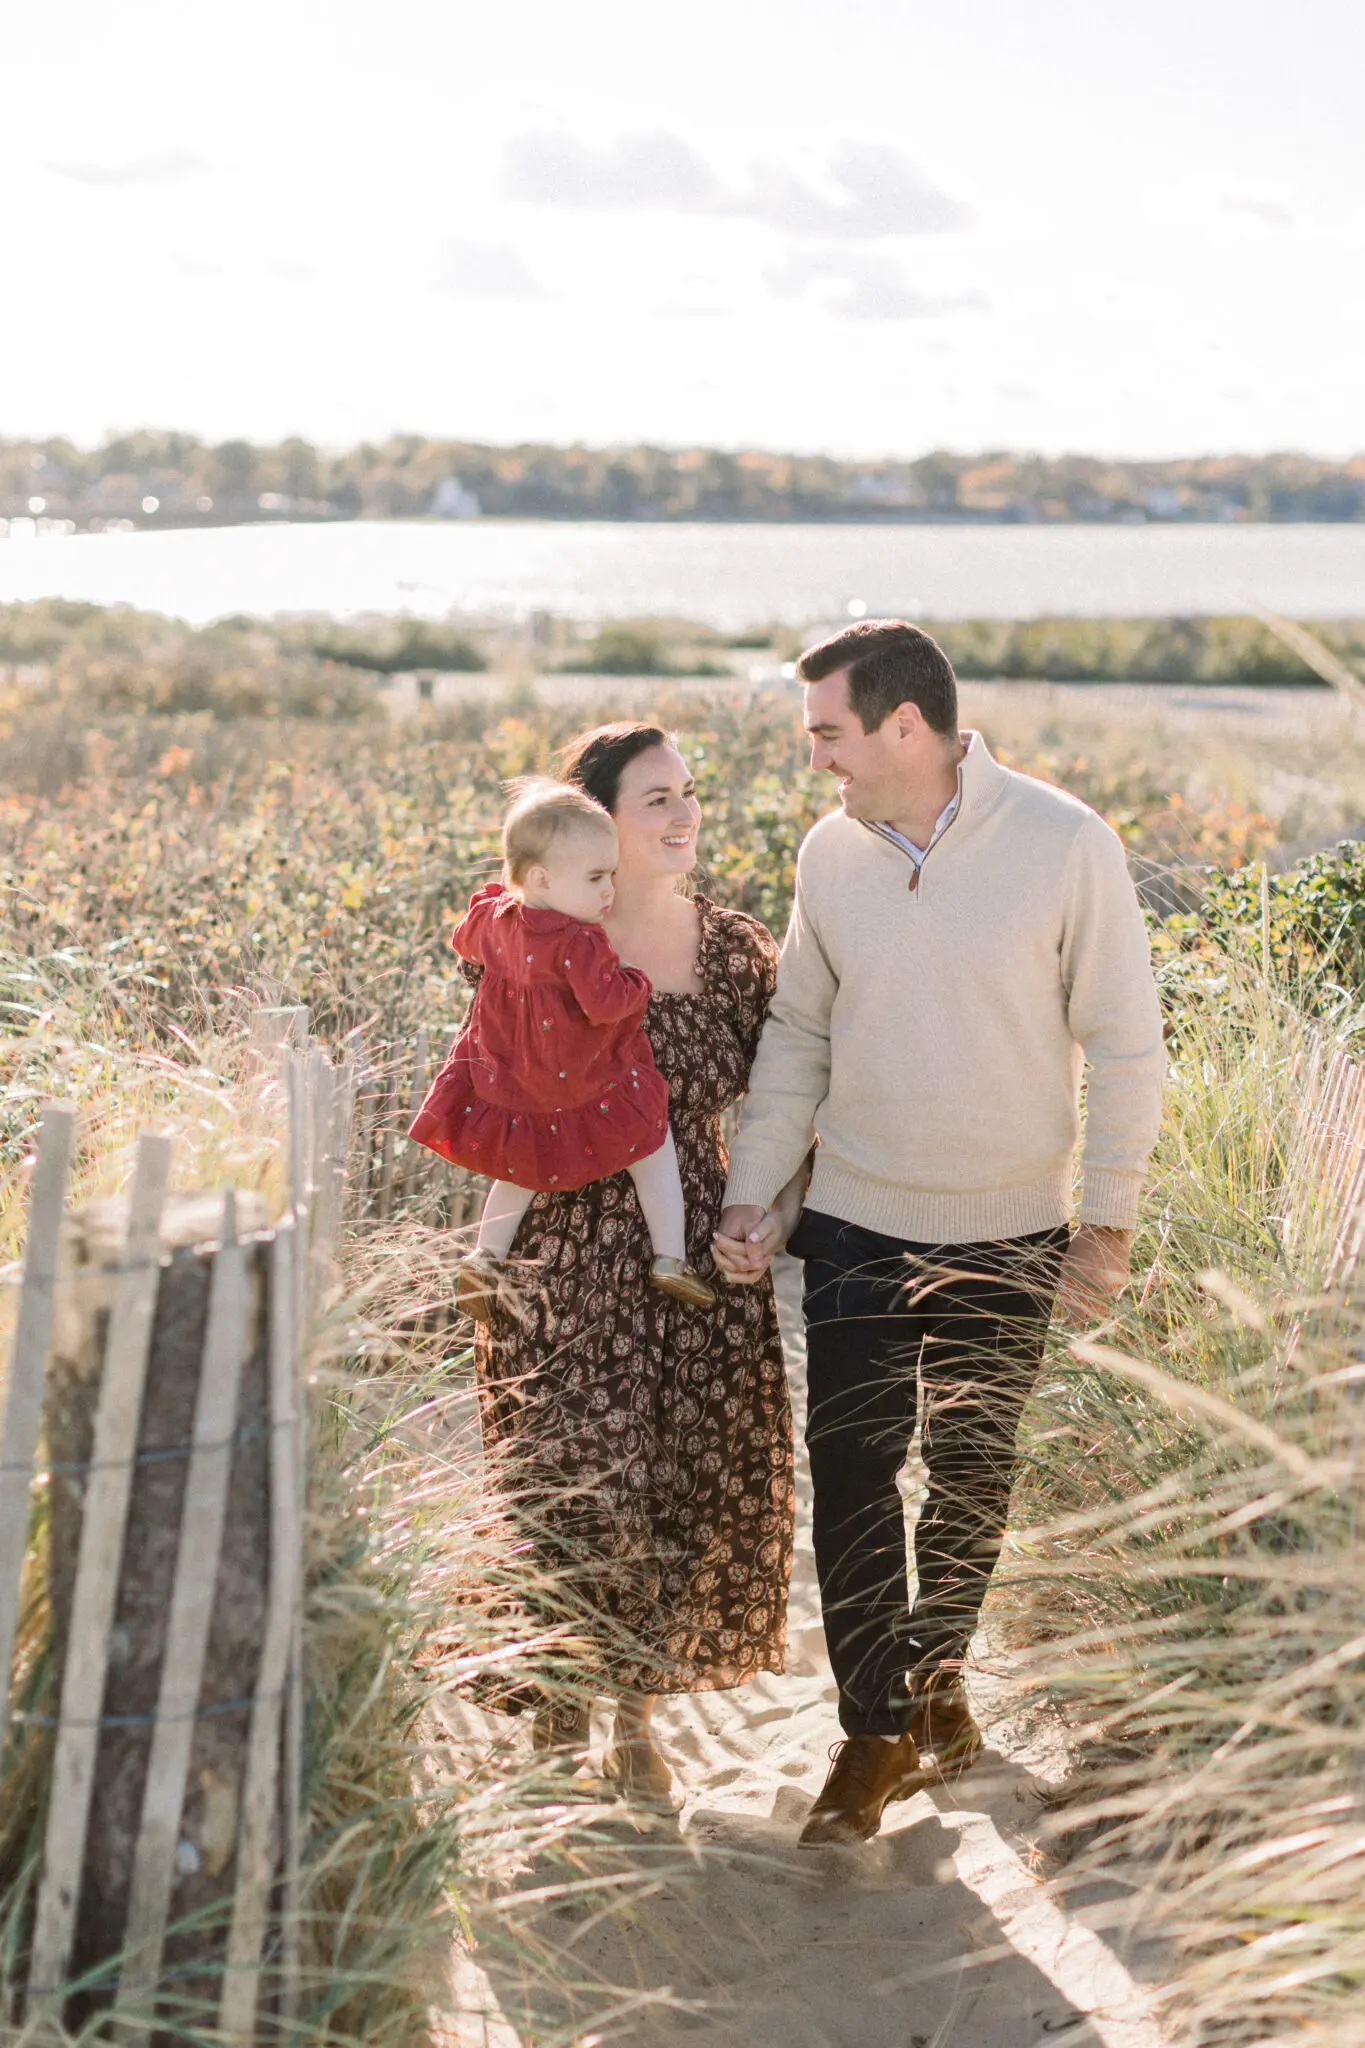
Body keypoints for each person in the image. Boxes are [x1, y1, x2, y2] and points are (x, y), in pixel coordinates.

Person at [714, 619, 1165, 1846]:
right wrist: (755, 1188)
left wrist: (1108, 1223)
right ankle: (874, 1728)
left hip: (1012, 1225)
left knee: (967, 1475)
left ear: (903, 725)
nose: (817, 759)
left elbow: (1126, 1041)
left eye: (828, 732)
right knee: (854, 1467)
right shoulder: (830, 854)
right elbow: (801, 1030)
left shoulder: (1068, 843)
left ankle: (936, 1677)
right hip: (858, 1215)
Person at [453, 722, 802, 1803]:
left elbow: (791, 1109)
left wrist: (771, 1216)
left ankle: (633, 1715)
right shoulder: (537, 932)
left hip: (687, 1252)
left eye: (689, 792)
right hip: (558, 1247)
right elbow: (490, 1077)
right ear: (596, 817)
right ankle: (554, 1708)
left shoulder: (738, 949)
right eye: (657, 798)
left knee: (679, 1481)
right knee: (568, 1475)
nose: (686, 814)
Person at [409, 778, 715, 1318]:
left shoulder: (495, 920)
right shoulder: (579, 941)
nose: (608, 891)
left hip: (517, 1081)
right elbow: (603, 1003)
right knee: (651, 1141)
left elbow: (463, 940)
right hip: (584, 1077)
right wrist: (636, 982)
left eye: (611, 875)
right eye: (596, 877)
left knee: (519, 1172)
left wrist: (493, 902)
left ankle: (485, 1258)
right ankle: (670, 1256)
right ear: (544, 878)